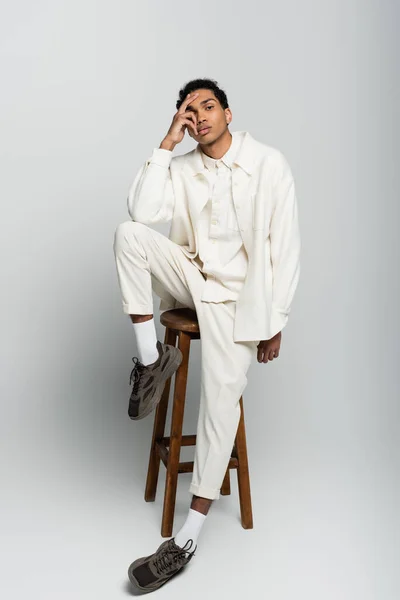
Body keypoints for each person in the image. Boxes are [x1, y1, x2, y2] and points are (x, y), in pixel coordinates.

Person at [113, 77, 301, 593]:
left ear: (229, 112)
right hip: (193, 280)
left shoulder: (268, 164)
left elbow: (285, 248)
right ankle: (152, 360)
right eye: (189, 111)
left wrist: (275, 321)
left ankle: (188, 537)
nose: (199, 115)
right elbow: (142, 212)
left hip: (241, 303)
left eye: (207, 106)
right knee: (128, 236)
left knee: (220, 404)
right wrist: (168, 141)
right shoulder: (180, 165)